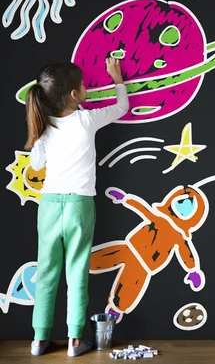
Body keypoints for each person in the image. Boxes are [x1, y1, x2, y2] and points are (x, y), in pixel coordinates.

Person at [25, 58, 129, 357]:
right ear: (74, 95)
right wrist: (117, 78)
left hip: (49, 204)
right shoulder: (86, 120)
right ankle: (74, 341)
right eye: (83, 86)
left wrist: (40, 139)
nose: (87, 88)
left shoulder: (44, 127)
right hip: (79, 204)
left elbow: (36, 164)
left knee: (46, 272)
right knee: (76, 272)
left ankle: (39, 340)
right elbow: (121, 108)